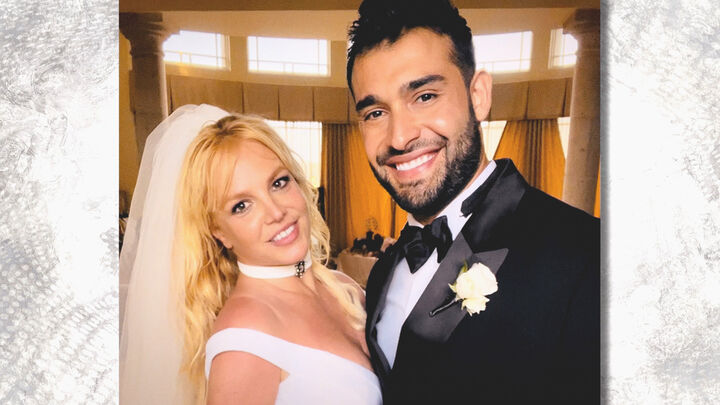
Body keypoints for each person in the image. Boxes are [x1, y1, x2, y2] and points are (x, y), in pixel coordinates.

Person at [346, 1, 600, 404]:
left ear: (478, 96)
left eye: (425, 96)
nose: (399, 137)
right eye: (375, 112)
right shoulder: (382, 273)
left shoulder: (587, 255)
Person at [120, 104, 381, 405]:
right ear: (219, 232)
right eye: (241, 206)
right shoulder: (244, 337)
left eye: (278, 183)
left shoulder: (344, 288)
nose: (276, 212)